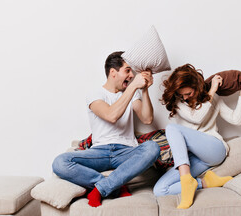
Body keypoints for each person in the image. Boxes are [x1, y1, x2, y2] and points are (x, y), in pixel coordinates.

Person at [52, 51, 160, 207]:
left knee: (152, 148)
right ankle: (115, 185)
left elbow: (147, 119)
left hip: (126, 151)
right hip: (99, 152)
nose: (131, 75)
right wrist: (134, 86)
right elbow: (111, 115)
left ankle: (102, 188)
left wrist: (144, 90)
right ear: (113, 72)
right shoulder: (95, 94)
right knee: (60, 162)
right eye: (127, 70)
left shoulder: (133, 93)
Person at [153, 64, 241, 209]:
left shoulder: (213, 98)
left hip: (214, 150)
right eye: (181, 95)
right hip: (195, 159)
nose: (185, 98)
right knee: (159, 190)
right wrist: (212, 91)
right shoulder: (178, 102)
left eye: (188, 94)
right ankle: (203, 183)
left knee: (172, 128)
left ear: (196, 87)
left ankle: (186, 181)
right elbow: (197, 117)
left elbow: (236, 120)